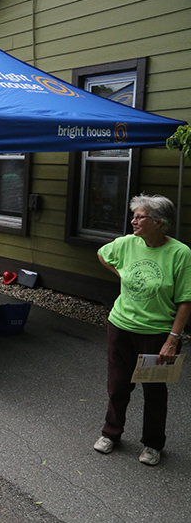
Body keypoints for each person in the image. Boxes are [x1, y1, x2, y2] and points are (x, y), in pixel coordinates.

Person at [93, 194, 191, 466]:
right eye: (133, 216)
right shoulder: (127, 244)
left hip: (157, 333)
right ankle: (110, 433)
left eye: (139, 217)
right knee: (118, 385)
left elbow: (186, 300)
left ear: (158, 222)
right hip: (121, 326)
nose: (133, 221)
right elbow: (102, 254)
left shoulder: (180, 253)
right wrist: (123, 274)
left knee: (154, 391)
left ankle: (153, 444)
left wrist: (172, 340)